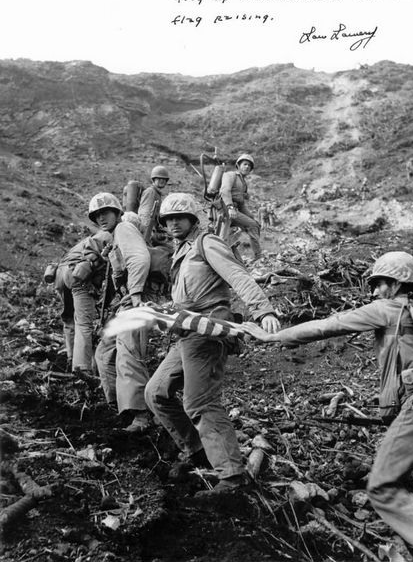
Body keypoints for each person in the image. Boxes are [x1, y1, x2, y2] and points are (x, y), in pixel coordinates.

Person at [243, 251, 413, 561]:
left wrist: (275, 337)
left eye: (380, 283)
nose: (375, 291)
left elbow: (329, 325)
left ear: (396, 284)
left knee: (382, 487)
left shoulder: (388, 309)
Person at [144, 193, 280, 495]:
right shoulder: (181, 251)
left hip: (209, 331)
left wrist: (263, 310)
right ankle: (199, 453)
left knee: (200, 402)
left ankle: (231, 477)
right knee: (156, 393)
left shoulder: (207, 243)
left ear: (192, 218)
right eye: (168, 219)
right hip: (186, 331)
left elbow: (237, 275)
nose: (173, 223)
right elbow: (187, 296)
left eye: (179, 217)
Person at [88, 195, 165, 433]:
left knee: (128, 354)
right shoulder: (115, 238)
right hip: (125, 300)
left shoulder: (123, 228)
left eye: (106, 212)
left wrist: (136, 293)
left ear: (117, 212)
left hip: (137, 298)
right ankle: (120, 407)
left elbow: (140, 258)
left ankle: (141, 414)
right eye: (97, 215)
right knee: (104, 353)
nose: (101, 218)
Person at [54, 231, 113, 373]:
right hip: (77, 275)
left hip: (60, 274)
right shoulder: (112, 236)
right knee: (84, 324)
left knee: (69, 319)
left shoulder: (89, 239)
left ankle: (71, 358)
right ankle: (82, 368)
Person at [219, 153, 262, 262]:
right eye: (245, 164)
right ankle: (258, 257)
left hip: (234, 210)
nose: (247, 167)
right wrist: (230, 207)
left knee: (254, 224)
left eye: (249, 166)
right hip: (225, 209)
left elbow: (241, 203)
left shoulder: (243, 183)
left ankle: (231, 256)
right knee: (252, 226)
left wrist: (251, 217)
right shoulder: (230, 175)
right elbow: (225, 191)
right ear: (238, 165)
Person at [138, 165, 169, 244]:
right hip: (148, 230)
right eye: (159, 179)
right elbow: (145, 213)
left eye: (164, 179)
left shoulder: (157, 193)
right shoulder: (150, 192)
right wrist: (149, 232)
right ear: (154, 179)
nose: (162, 181)